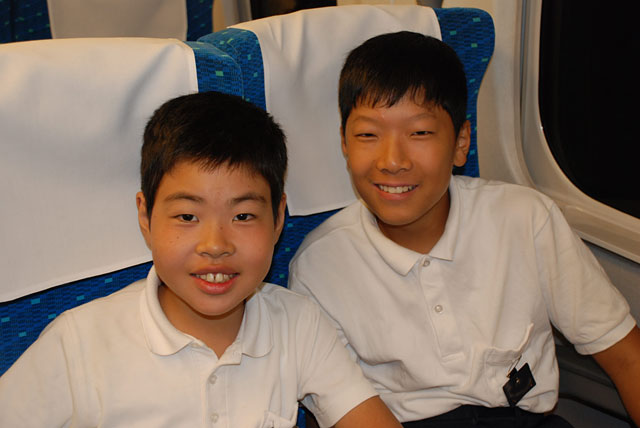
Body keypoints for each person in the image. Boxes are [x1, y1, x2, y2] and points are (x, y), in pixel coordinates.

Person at [289, 31, 640, 427]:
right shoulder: (320, 267)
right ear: (344, 143)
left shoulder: (524, 219)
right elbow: (344, 409)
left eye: (420, 133)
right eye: (368, 135)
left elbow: (627, 356)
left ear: (460, 143)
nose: (392, 160)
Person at [0, 91, 402, 428]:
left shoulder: (297, 325)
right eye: (187, 217)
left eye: (243, 216)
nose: (215, 245)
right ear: (146, 217)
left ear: (279, 219)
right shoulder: (79, 343)